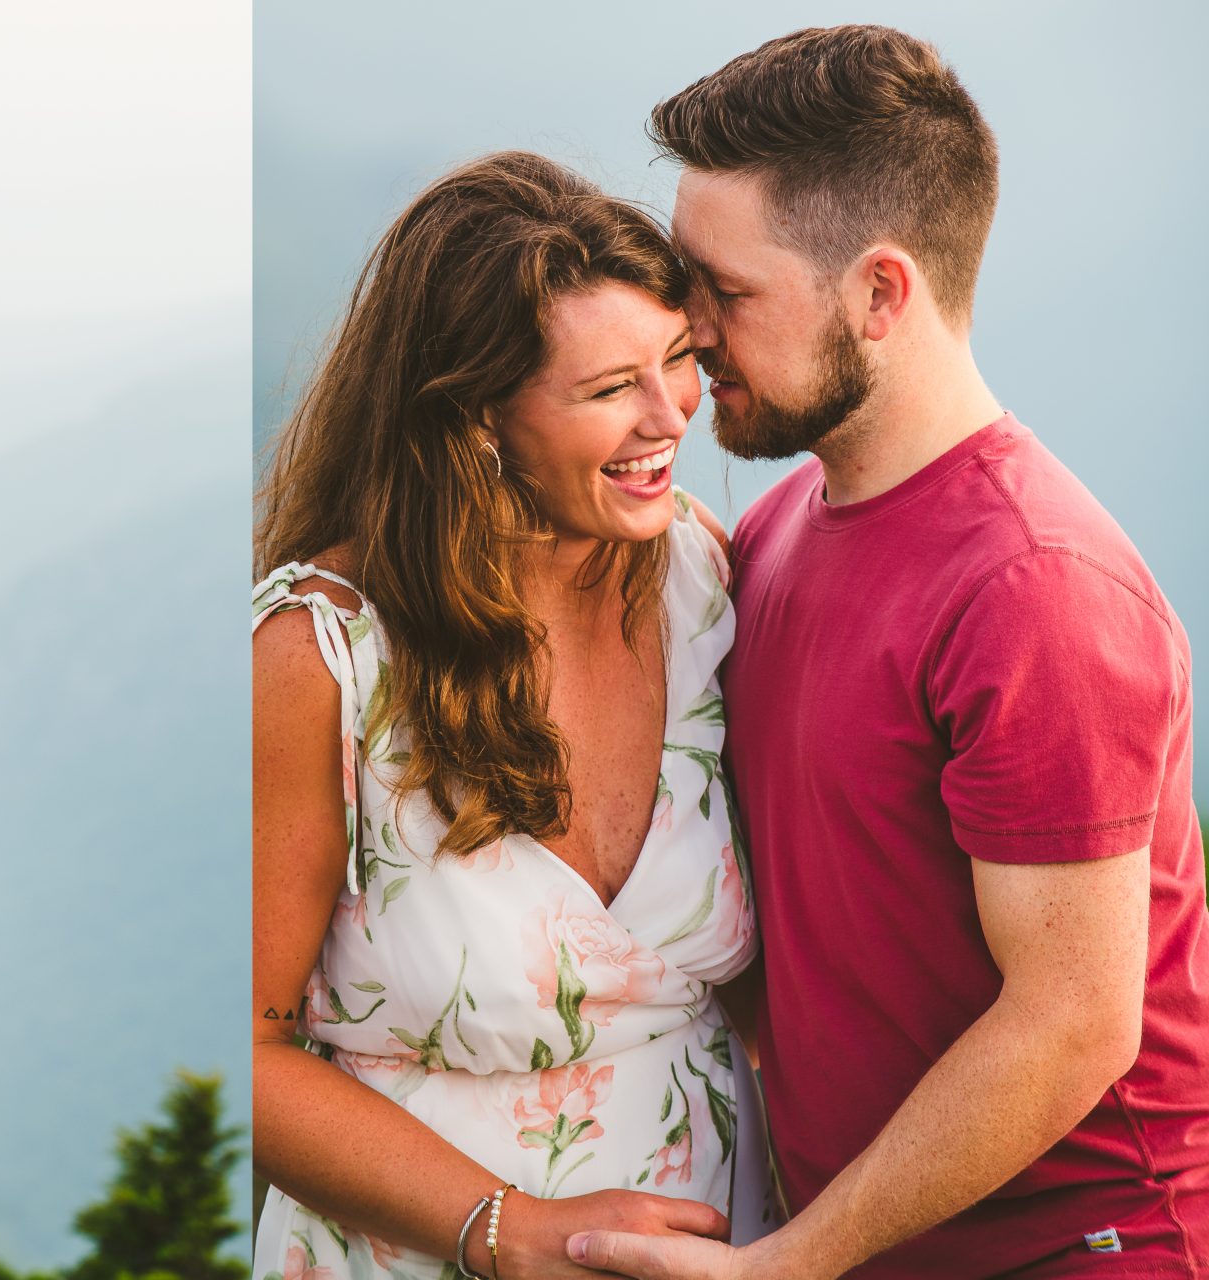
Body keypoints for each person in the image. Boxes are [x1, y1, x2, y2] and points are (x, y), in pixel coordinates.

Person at [570, 26, 1208, 1280]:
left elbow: (1075, 1022)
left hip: (1080, 1249)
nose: (687, 334)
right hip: (878, 1242)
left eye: (725, 292)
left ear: (878, 292)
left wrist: (790, 1259)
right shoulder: (774, 529)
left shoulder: (1034, 590)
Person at [250, 150, 764, 1280]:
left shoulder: (701, 577)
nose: (665, 414)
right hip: (416, 1254)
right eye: (604, 389)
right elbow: (247, 1048)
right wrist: (503, 1228)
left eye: (674, 358)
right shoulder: (318, 657)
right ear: (478, 414)